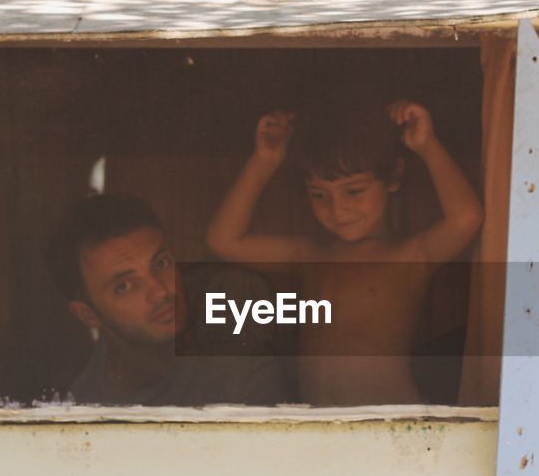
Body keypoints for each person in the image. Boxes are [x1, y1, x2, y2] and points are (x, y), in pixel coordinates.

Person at [206, 101, 483, 405]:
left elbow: (466, 218)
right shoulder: (310, 253)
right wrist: (265, 159)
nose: (337, 209)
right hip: (321, 425)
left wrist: (426, 144)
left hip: (390, 422)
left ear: (393, 176)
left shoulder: (409, 255)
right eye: (319, 195)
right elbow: (224, 240)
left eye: (354, 191)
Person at [49, 194, 292, 406]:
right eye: (124, 286)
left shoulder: (235, 346)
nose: (160, 291)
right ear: (88, 315)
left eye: (161, 263)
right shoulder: (87, 411)